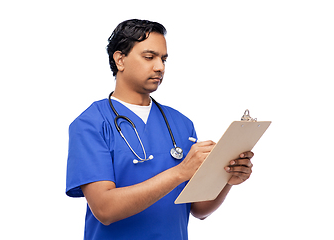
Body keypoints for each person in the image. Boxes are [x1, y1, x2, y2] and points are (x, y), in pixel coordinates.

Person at [66, 19, 254, 240]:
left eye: (163, 59)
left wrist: (227, 180)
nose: (160, 67)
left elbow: (197, 209)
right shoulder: (91, 123)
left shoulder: (181, 123)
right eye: (149, 57)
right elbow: (105, 210)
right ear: (120, 60)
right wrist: (180, 172)